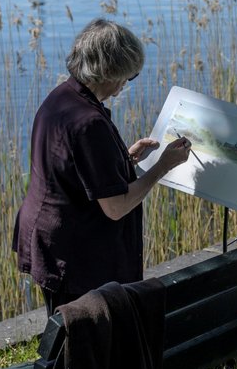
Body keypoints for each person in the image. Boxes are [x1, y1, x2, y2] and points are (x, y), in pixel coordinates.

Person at [13, 18, 192, 316]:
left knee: (69, 333)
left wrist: (125, 158)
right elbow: (116, 207)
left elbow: (74, 168)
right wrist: (162, 166)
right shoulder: (89, 122)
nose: (126, 83)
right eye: (128, 75)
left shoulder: (61, 98)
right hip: (75, 253)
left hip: (51, 237)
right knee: (84, 337)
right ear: (108, 70)